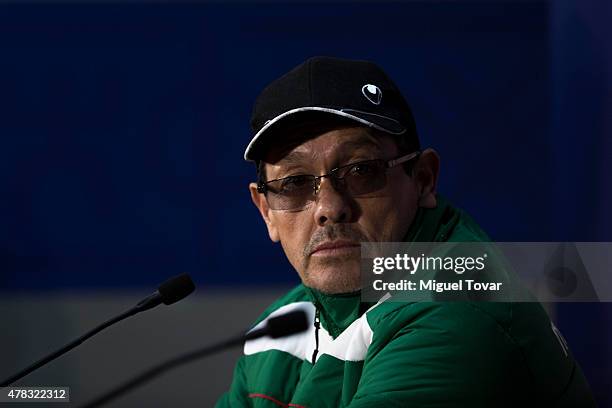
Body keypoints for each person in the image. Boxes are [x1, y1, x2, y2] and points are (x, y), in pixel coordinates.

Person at [216, 57, 595, 407]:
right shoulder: (280, 328)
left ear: (424, 180)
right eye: (296, 183)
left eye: (361, 170)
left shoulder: (460, 309)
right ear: (266, 211)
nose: (330, 208)